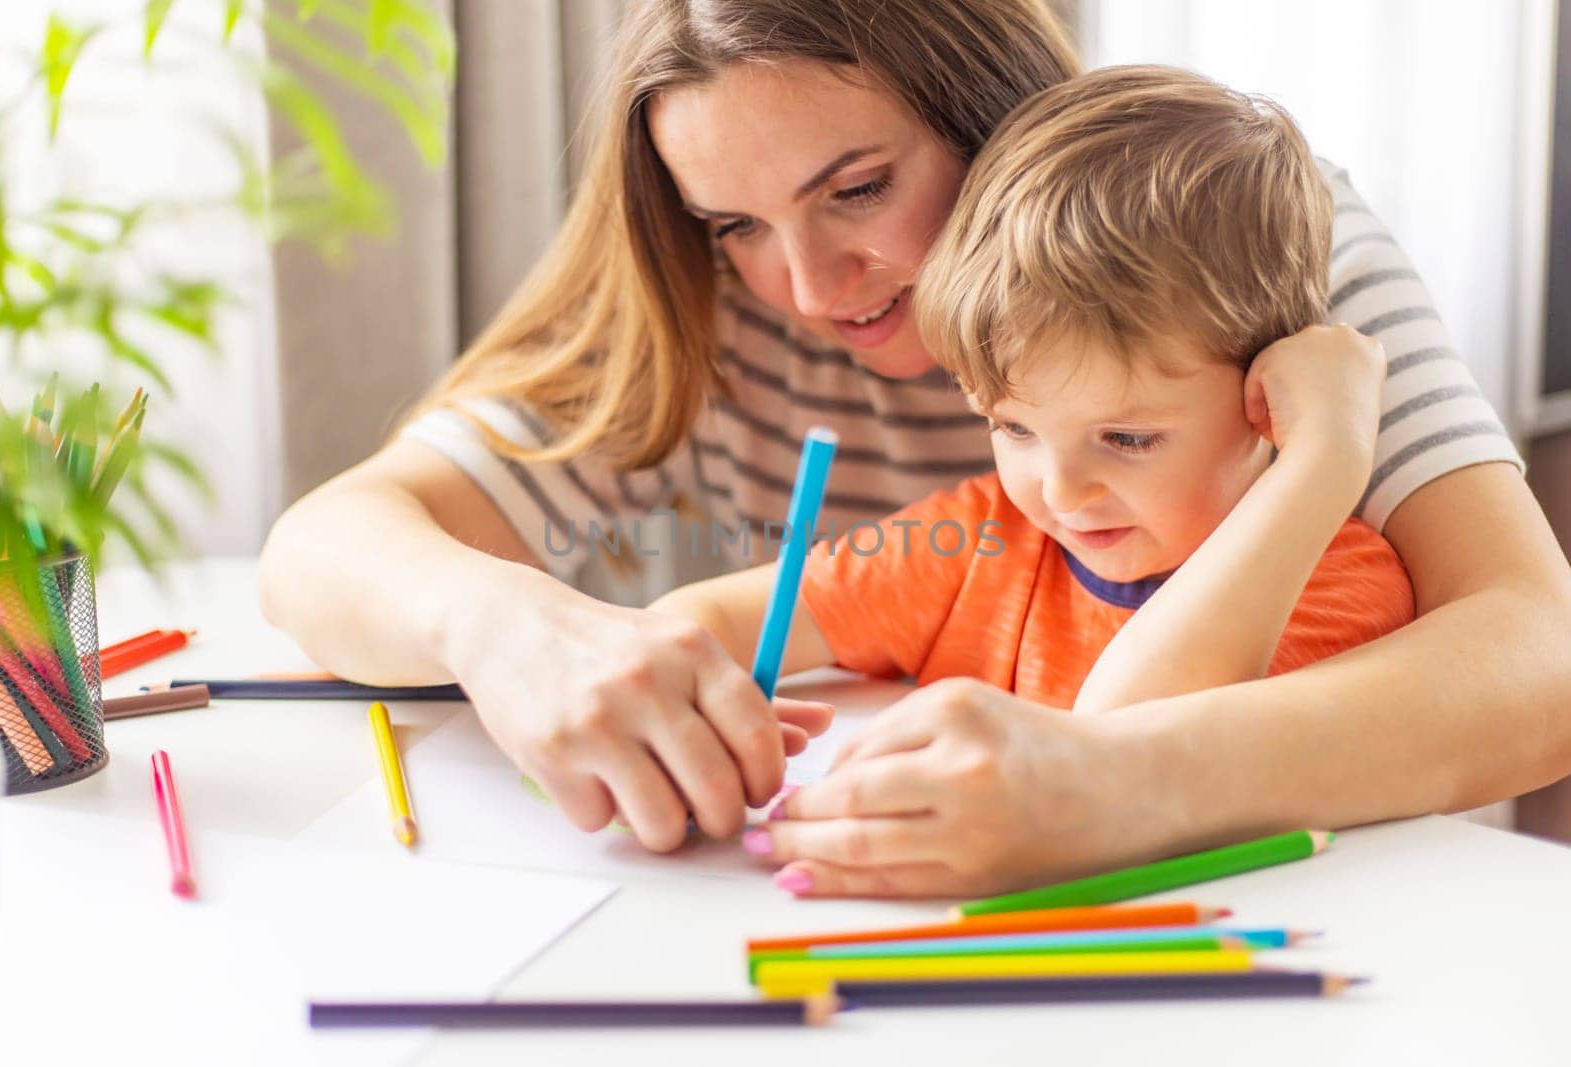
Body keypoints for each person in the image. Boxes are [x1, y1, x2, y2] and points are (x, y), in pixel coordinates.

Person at [257, 0, 1571, 893]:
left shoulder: (1237, 236)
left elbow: (1537, 660)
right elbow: (321, 548)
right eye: (738, 223)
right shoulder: (703, 309)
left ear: (988, 103)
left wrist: (1113, 783)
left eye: (859, 189)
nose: (813, 284)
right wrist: (512, 627)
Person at [648, 66, 1415, 892]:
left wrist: (1321, 462)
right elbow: (704, 621)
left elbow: (1118, 744)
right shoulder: (983, 536)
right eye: (1012, 427)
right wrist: (696, 713)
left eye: (1126, 436)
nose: (1060, 490)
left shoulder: (1333, 582)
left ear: (1268, 401)